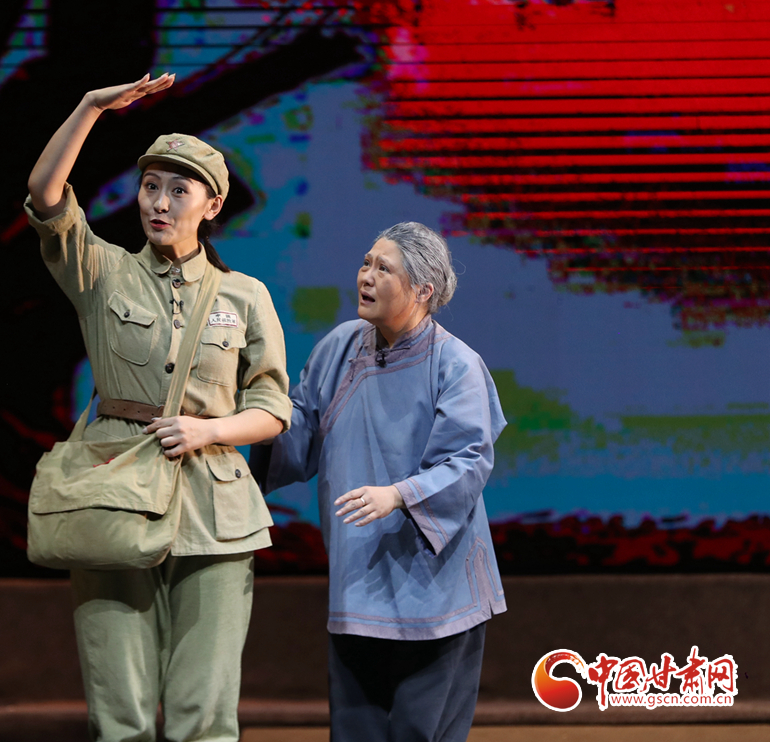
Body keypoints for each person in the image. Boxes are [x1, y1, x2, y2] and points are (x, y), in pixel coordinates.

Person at [25, 73, 292, 742]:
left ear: (213, 204)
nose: (160, 202)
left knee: (206, 711)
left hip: (216, 508)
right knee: (120, 711)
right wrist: (89, 107)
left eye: (179, 190)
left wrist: (211, 429)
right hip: (114, 494)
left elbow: (272, 405)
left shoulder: (244, 295)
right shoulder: (103, 271)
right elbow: (46, 195)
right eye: (150, 187)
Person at [251, 222, 507, 742]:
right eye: (366, 263)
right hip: (359, 582)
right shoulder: (339, 347)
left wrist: (398, 495)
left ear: (423, 290)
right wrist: (247, 414)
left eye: (383, 268)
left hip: (438, 592)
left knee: (419, 732)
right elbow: (299, 431)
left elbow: (468, 460)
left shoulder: (456, 364)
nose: (366, 276)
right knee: (354, 732)